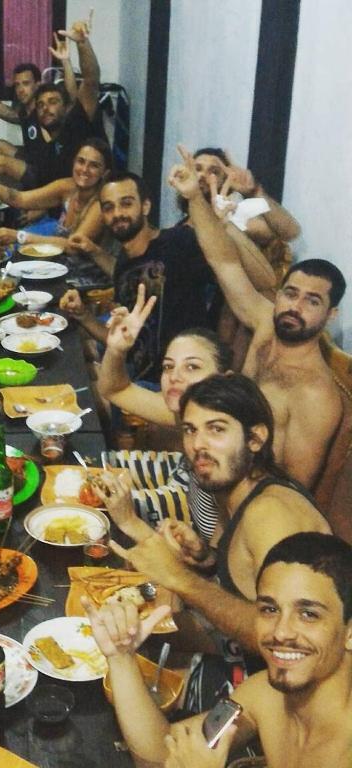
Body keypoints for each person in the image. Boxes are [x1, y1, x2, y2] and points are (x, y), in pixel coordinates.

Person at [109, 374, 329, 705]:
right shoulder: (234, 490)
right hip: (241, 651)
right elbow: (247, 579)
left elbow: (284, 636)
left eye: (216, 429)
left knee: (119, 682)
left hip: (285, 691)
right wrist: (206, 559)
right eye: (190, 430)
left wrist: (179, 577)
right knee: (117, 631)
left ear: (255, 438)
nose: (198, 444)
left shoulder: (271, 514)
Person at [84, 532, 352, 767]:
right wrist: (121, 657)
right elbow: (161, 758)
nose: (281, 632)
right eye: (270, 609)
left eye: (308, 614)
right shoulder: (265, 694)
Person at [169, 144, 345, 490]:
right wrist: (194, 197)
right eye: (291, 293)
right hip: (207, 466)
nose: (295, 307)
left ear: (331, 315)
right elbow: (224, 262)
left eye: (312, 301)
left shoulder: (316, 394)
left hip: (242, 495)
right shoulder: (266, 321)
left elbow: (294, 487)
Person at [96, 284, 233, 541]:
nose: (174, 376)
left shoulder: (231, 445)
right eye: (169, 367)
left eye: (192, 367)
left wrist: (128, 518)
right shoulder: (190, 411)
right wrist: (116, 349)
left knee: (98, 501)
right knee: (94, 466)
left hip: (189, 535)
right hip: (180, 475)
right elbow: (114, 389)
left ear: (224, 379)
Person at [59, 171, 215, 381]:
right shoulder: (124, 263)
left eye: (126, 204)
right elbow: (122, 339)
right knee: (67, 360)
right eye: (109, 207)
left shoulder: (178, 242)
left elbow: (227, 263)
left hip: (175, 381)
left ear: (145, 206)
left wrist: (217, 218)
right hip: (138, 370)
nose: (117, 213)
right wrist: (82, 315)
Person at [0, 136, 112, 253]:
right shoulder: (67, 186)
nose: (84, 169)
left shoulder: (101, 203)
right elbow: (20, 199)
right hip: (56, 257)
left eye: (94, 165)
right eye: (81, 161)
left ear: (105, 173)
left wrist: (20, 237)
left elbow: (73, 247)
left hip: (82, 271)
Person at [22, 17, 108, 189]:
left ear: (67, 107)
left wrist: (82, 43)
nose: (45, 108)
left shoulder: (77, 125)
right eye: (40, 105)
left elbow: (91, 80)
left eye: (53, 102)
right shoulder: (50, 145)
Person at [0, 33, 76, 187]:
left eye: (26, 83)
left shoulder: (46, 112)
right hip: (31, 160)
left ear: (37, 84)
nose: (20, 89)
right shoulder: (24, 112)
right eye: (17, 85)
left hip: (47, 174)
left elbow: (71, 99)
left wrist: (65, 61)